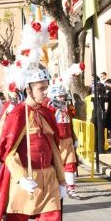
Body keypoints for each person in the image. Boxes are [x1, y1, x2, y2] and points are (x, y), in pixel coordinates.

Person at [0, 21, 72, 221]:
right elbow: (7, 152)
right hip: (25, 178)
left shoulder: (47, 112)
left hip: (47, 177)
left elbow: (55, 150)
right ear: (28, 89)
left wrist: (61, 180)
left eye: (46, 87)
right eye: (41, 88)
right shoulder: (17, 114)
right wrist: (21, 178)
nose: (46, 92)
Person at [47, 64, 83, 200]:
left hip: (67, 140)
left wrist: (74, 138)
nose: (62, 99)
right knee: (56, 165)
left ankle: (71, 189)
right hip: (56, 141)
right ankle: (56, 188)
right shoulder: (50, 109)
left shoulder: (67, 109)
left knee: (70, 165)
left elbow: (70, 124)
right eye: (60, 97)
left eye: (63, 96)